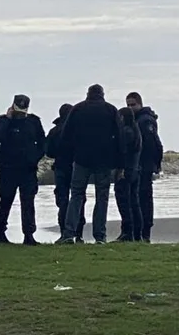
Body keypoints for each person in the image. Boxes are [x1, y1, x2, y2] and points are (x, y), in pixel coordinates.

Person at [57, 85, 125, 245]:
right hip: (104, 160)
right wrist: (120, 164)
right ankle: (99, 236)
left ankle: (69, 233)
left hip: (81, 159)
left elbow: (65, 135)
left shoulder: (77, 109)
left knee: (76, 195)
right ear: (102, 95)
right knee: (102, 198)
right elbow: (120, 138)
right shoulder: (110, 110)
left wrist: (70, 155)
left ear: (88, 94)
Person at [0, 94, 47, 245]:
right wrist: (8, 119)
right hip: (8, 168)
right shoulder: (1, 121)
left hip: (28, 169)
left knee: (28, 201)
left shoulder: (34, 122)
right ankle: (0, 232)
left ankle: (29, 235)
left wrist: (34, 158)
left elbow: (42, 143)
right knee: (6, 199)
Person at [127, 92, 163, 242]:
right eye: (128, 105)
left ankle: (145, 232)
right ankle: (139, 231)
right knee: (137, 199)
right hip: (138, 165)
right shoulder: (136, 120)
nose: (130, 107)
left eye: (133, 104)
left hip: (144, 166)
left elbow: (154, 144)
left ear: (140, 104)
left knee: (144, 199)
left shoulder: (145, 121)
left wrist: (156, 164)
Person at [45, 104, 85, 242]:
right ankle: (79, 234)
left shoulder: (54, 131)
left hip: (61, 168)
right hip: (77, 167)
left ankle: (64, 233)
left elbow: (49, 152)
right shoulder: (78, 131)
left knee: (63, 201)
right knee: (78, 199)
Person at [114, 107, 144, 241]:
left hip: (125, 171)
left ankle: (127, 232)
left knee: (124, 202)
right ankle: (137, 233)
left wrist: (120, 169)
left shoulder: (126, 132)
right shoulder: (136, 131)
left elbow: (122, 152)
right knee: (134, 202)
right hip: (135, 170)